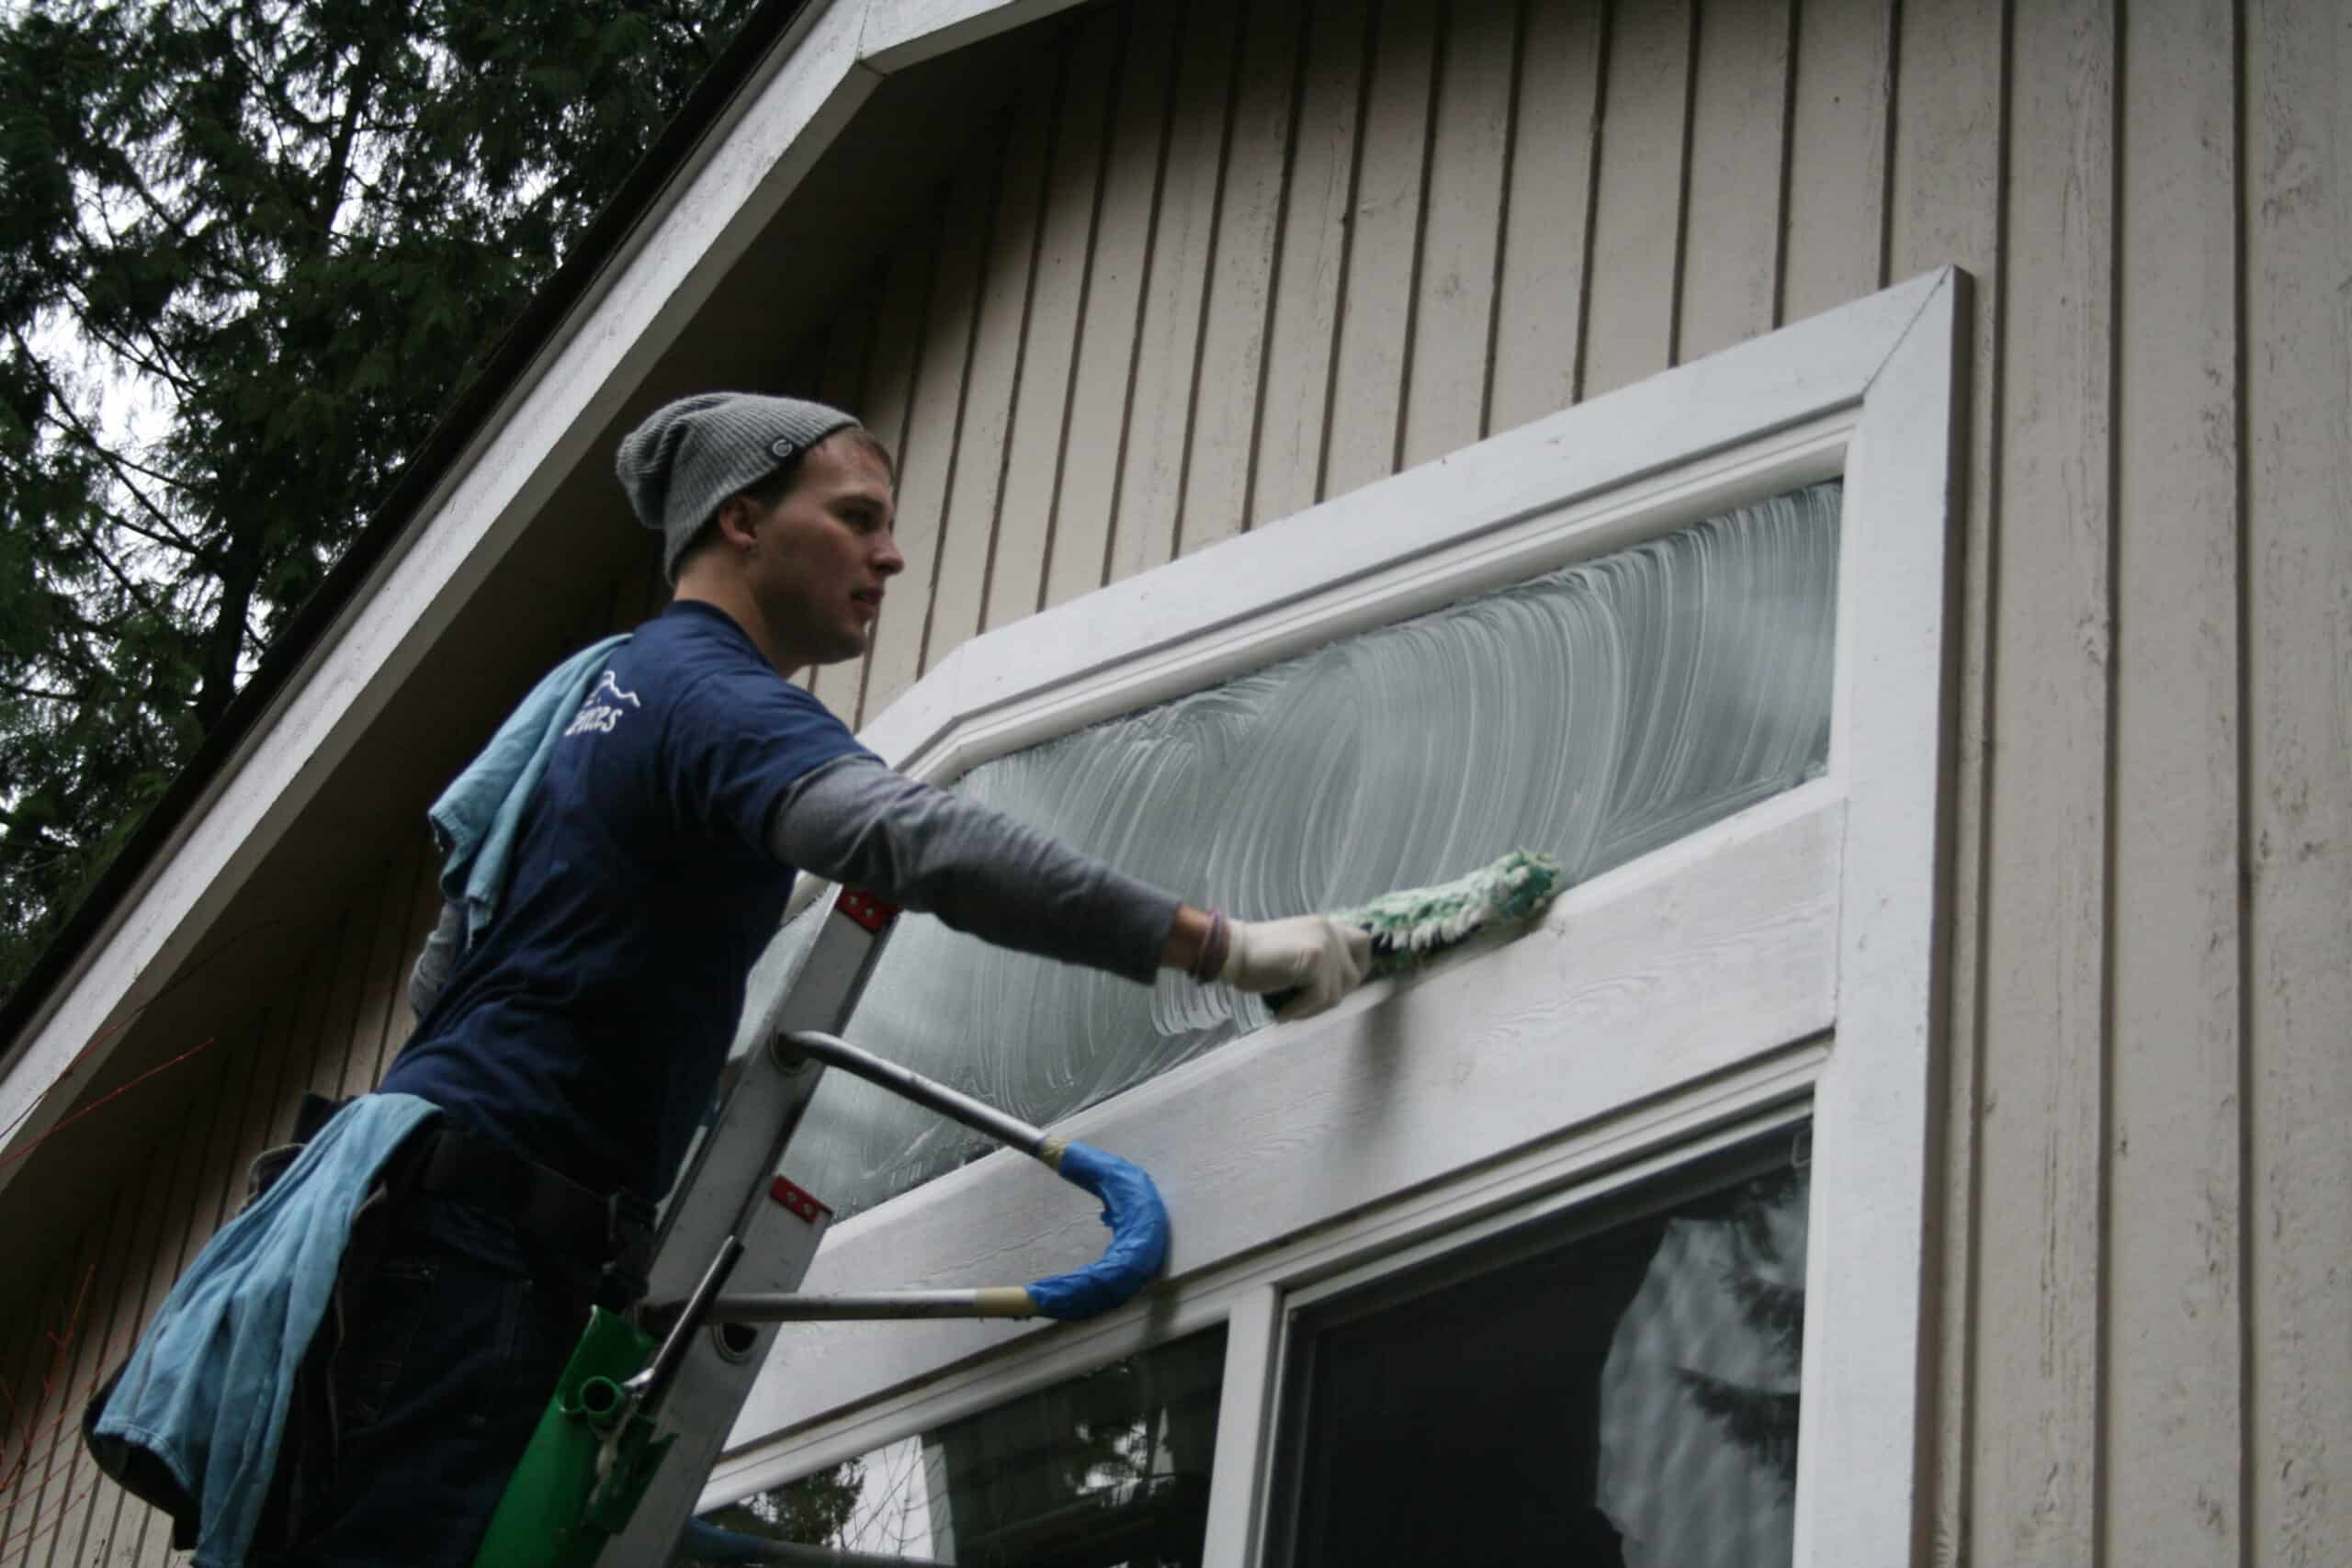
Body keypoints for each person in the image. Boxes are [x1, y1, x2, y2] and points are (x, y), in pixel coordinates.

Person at [252, 392, 1372, 1564]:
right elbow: (919, 842)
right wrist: (1218, 945)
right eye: (855, 517)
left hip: (428, 1255)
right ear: (741, 519)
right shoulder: (711, 695)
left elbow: (450, 971)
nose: (890, 553)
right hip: (468, 1272)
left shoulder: (595, 694)